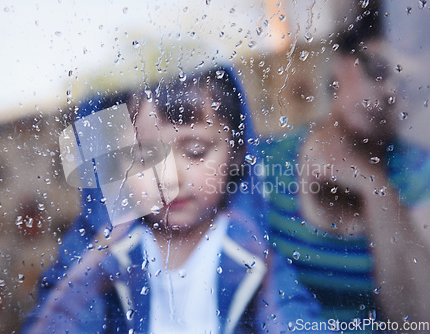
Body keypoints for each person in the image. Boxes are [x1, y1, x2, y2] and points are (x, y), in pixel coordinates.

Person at [22, 63, 326, 333]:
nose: (170, 179)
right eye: (143, 158)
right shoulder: (102, 250)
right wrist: (95, 262)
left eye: (195, 151)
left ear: (236, 153)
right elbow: (56, 321)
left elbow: (295, 321)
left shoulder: (251, 252)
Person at [261, 1, 430, 327]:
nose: (389, 92)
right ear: (341, 62)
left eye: (407, 86)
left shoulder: (418, 173)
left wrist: (376, 189)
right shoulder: (268, 160)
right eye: (378, 70)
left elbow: (420, 319)